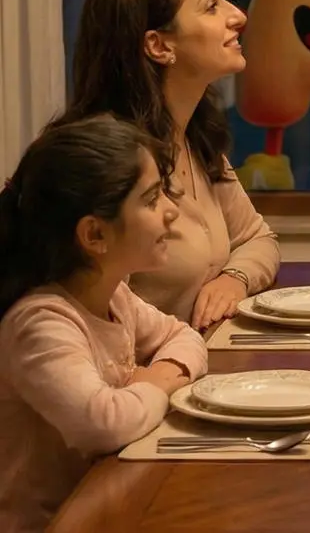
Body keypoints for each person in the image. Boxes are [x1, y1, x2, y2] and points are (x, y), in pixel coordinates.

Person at [0, 116, 208, 533]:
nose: (171, 211)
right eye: (151, 199)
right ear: (95, 234)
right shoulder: (41, 323)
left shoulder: (114, 294)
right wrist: (160, 385)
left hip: (111, 505)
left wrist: (155, 377)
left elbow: (184, 336)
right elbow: (103, 423)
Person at [57, 0, 280, 330]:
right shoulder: (107, 170)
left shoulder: (193, 139)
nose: (238, 16)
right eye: (212, 7)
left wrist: (235, 278)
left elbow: (257, 238)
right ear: (159, 46)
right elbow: (97, 334)